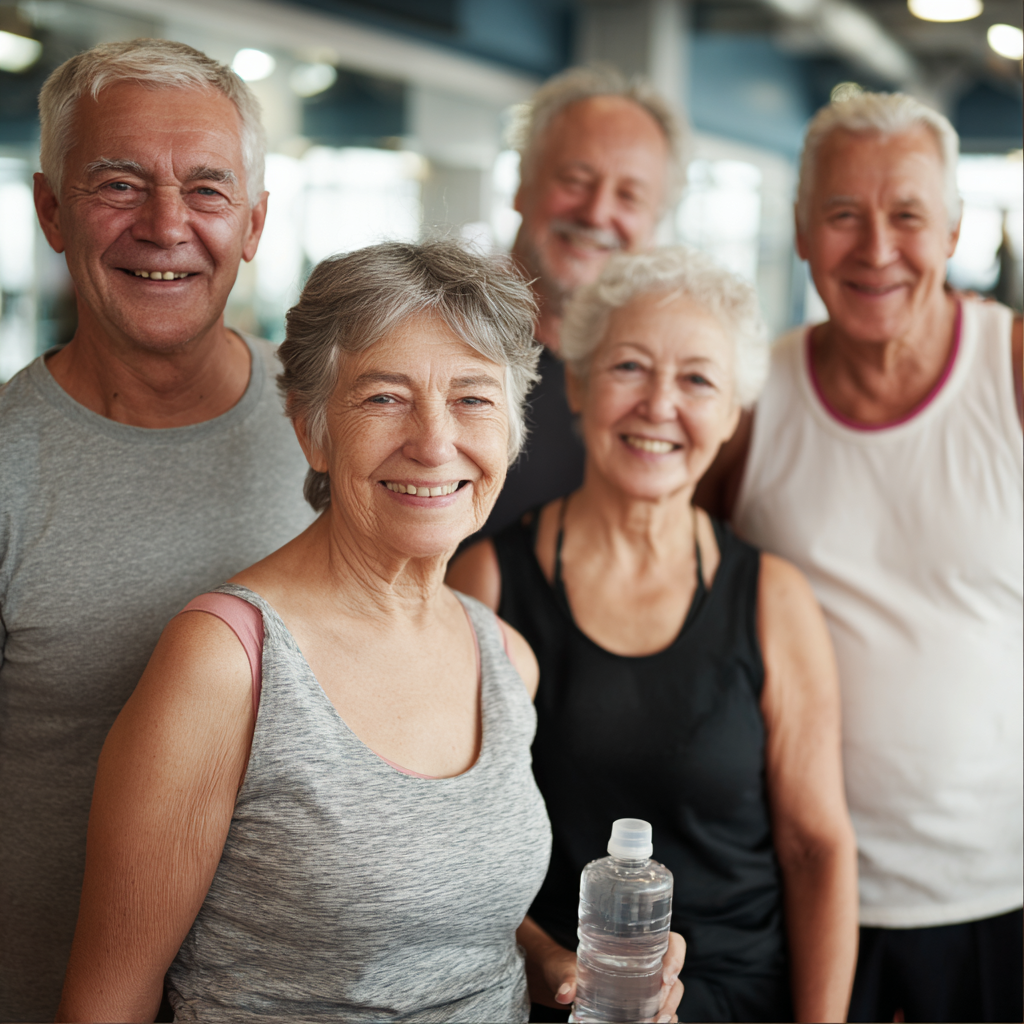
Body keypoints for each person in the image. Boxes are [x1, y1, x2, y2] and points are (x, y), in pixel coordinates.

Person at [55, 241, 686, 1024]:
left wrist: (543, 957)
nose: (433, 441)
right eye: (385, 398)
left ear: (513, 433)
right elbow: (104, 1005)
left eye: (473, 399)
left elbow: (432, 898)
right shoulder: (227, 664)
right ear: (313, 430)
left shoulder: (501, 656)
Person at [449, 247, 858, 1023]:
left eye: (699, 380)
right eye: (629, 367)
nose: (659, 404)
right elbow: (456, 844)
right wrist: (548, 962)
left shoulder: (773, 598)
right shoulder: (487, 583)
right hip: (558, 997)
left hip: (739, 996)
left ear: (734, 414)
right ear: (576, 383)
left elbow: (818, 850)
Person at [0, 40, 314, 1021]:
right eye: (119, 182)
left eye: (208, 190)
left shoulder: (337, 427)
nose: (166, 225)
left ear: (255, 221)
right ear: (51, 208)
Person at [698, 91, 1023, 1023]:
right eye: (843, 215)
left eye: (908, 215)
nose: (876, 249)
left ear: (955, 228)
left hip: (998, 890)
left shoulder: (1013, 372)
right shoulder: (755, 399)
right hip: (797, 886)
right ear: (802, 230)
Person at [480, 65, 688, 537]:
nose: (596, 212)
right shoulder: (438, 342)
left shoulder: (660, 388)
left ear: (655, 223)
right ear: (521, 185)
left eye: (629, 195)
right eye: (575, 179)